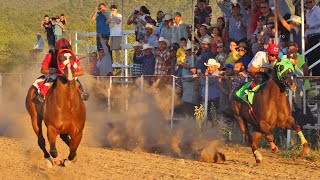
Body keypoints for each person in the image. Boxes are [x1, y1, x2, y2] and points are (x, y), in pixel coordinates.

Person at [32, 38, 88, 104]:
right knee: (52, 78)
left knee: (75, 80)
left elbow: (81, 71)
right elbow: (43, 70)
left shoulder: (71, 55)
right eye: (62, 50)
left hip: (68, 74)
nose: (65, 52)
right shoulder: (50, 55)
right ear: (57, 49)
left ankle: (82, 93)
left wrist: (71, 73)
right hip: (54, 73)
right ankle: (42, 95)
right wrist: (52, 71)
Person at [305, 0, 320, 75]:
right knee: (311, 58)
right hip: (310, 36)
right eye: (306, 2)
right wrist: (305, 35)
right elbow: (307, 25)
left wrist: (310, 25)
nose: (308, 4)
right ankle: (312, 75)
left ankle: (316, 75)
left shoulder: (317, 10)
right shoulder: (307, 12)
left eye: (310, 2)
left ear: (314, 2)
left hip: (317, 36)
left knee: (316, 56)